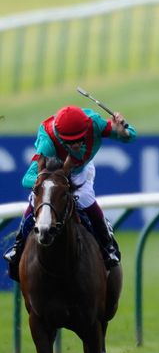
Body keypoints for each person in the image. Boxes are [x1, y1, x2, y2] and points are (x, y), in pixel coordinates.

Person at [3, 105, 136, 281]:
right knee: (35, 200)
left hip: (79, 171)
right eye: (69, 141)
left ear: (86, 129)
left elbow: (131, 136)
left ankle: (107, 246)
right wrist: (46, 183)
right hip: (51, 173)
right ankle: (18, 246)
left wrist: (123, 132)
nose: (75, 144)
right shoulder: (48, 142)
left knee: (86, 198)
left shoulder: (95, 124)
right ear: (59, 136)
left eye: (79, 139)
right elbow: (27, 178)